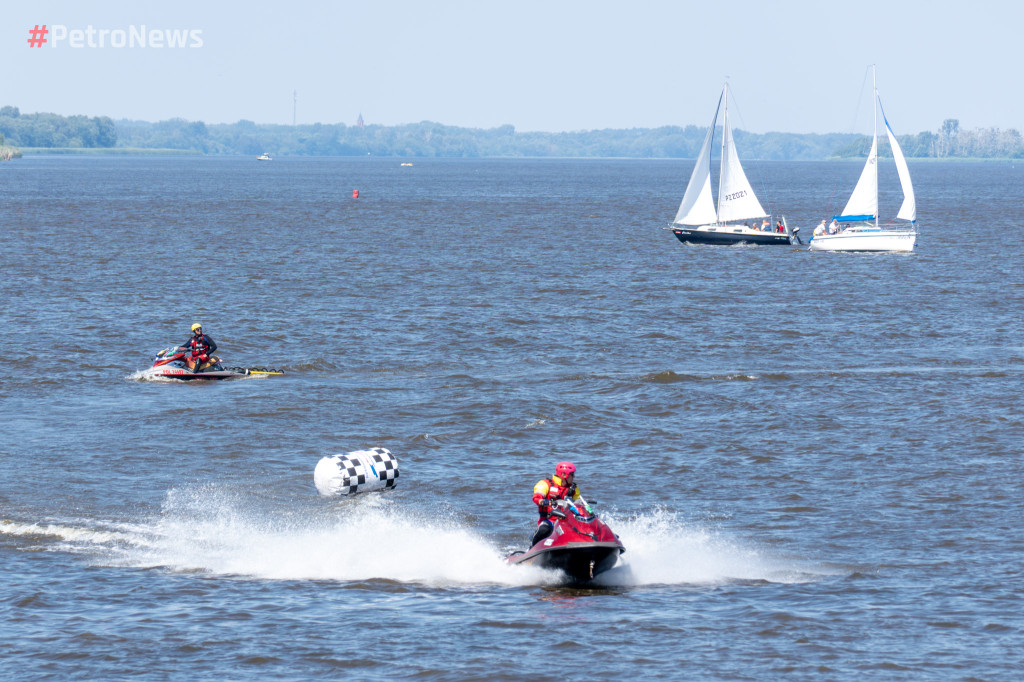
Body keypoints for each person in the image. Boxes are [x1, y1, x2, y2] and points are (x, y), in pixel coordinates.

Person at [531, 461, 582, 546]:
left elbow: (578, 504)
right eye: (572, 474)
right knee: (544, 529)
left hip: (567, 522)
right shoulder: (545, 484)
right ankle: (532, 549)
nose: (573, 477)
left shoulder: (574, 489)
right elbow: (536, 497)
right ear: (564, 475)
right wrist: (543, 501)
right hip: (549, 520)